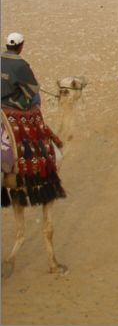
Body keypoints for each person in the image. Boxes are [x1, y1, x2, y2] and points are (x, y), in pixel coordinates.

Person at [1, 32, 65, 206]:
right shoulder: (21, 64)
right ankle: (40, 157)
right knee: (36, 103)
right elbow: (32, 88)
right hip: (12, 106)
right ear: (21, 46)